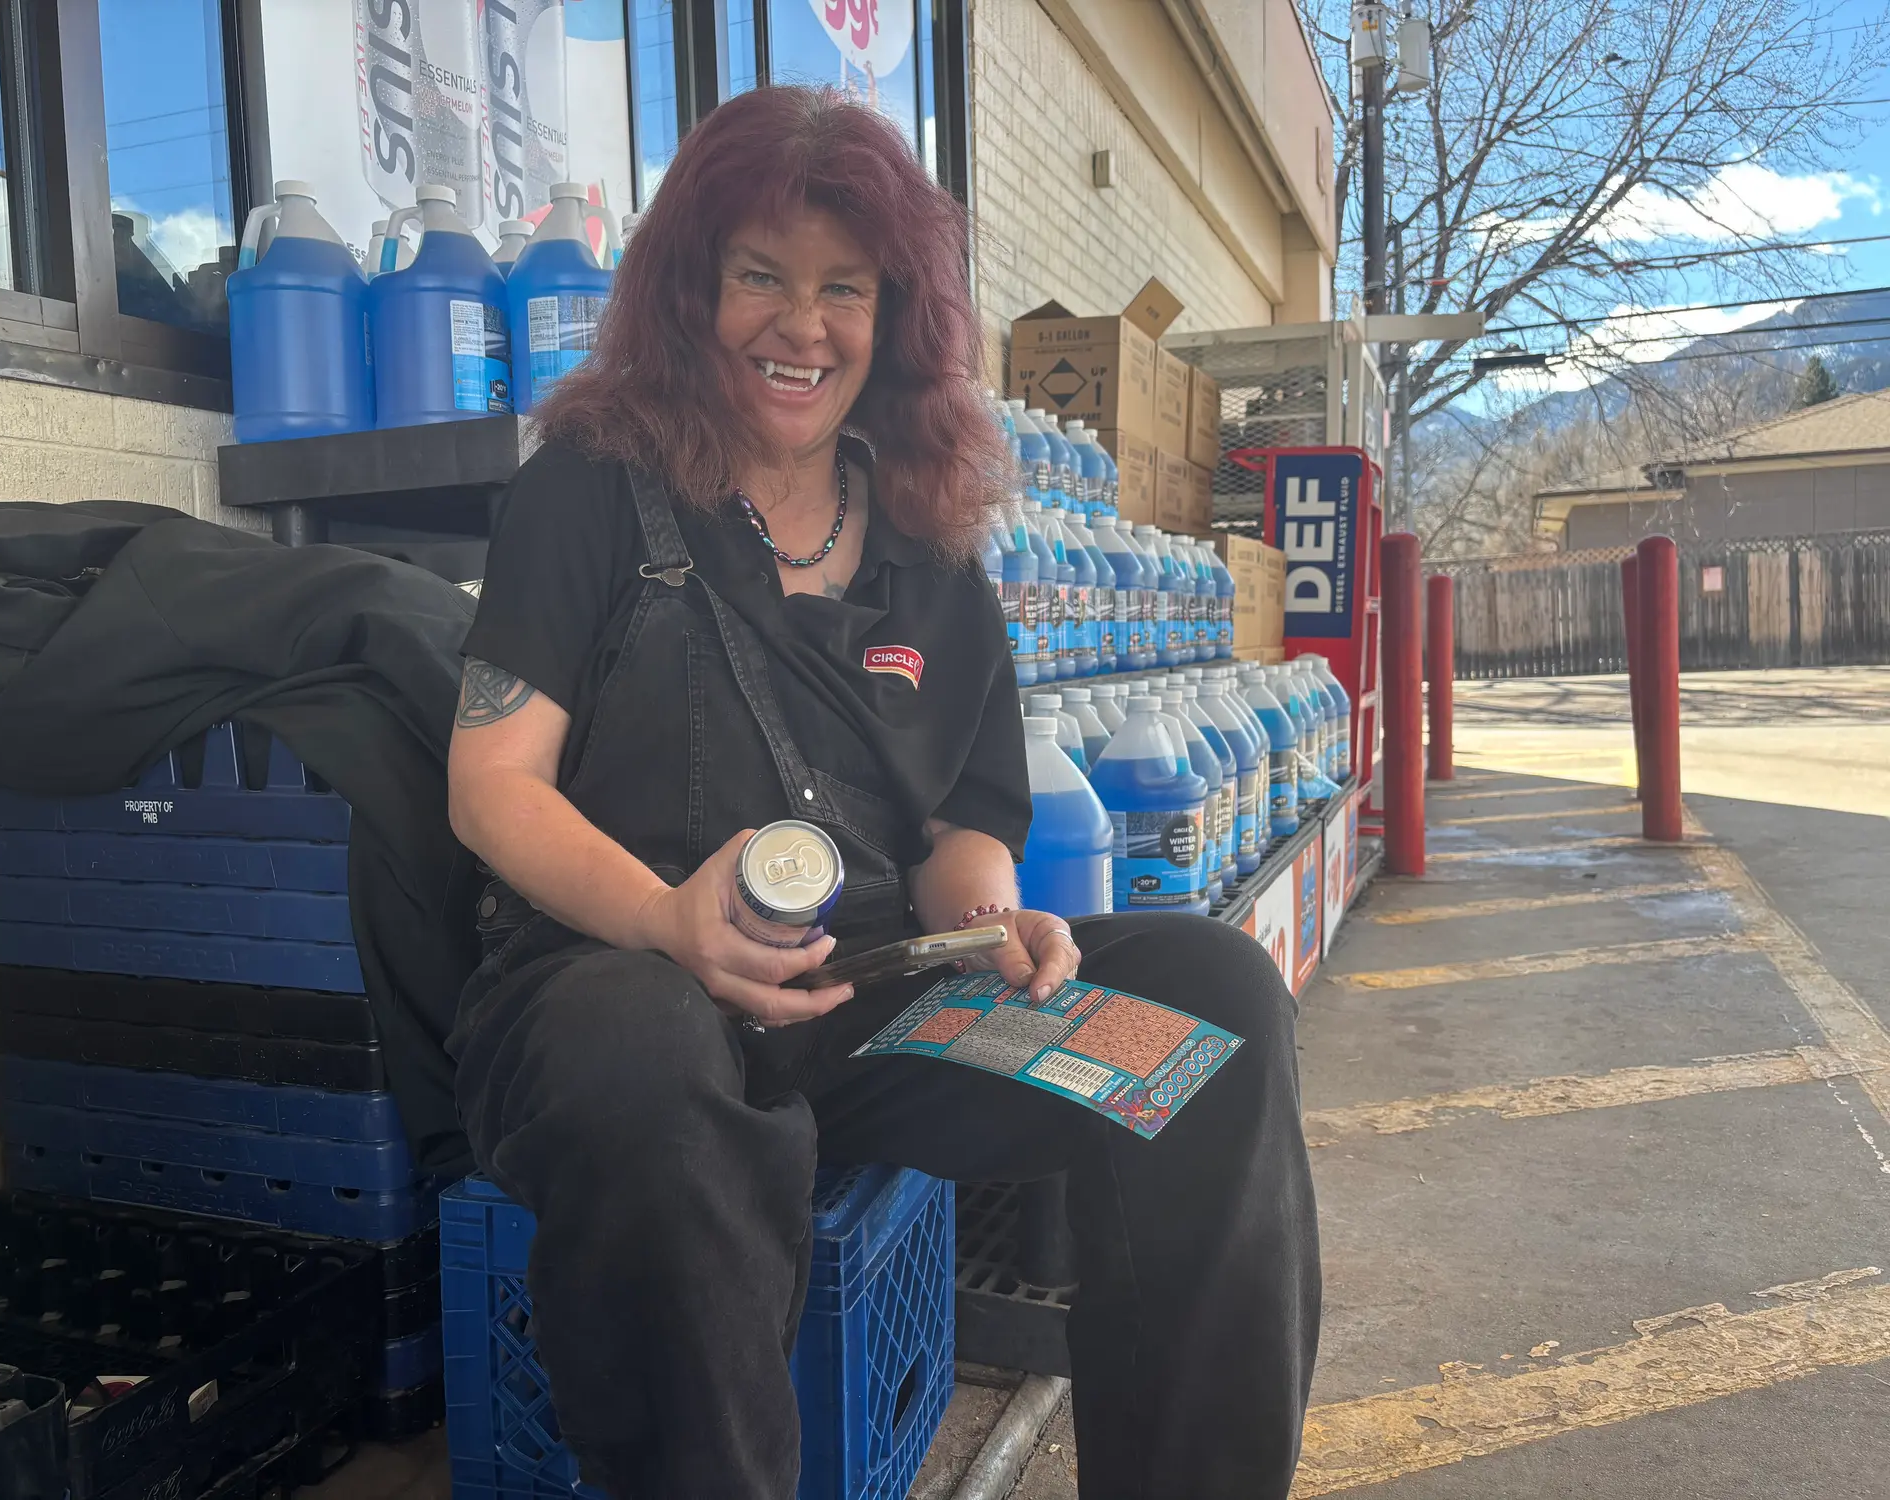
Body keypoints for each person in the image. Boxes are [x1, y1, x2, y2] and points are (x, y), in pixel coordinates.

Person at [446, 86, 1319, 1499]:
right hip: (611, 982)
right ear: (689, 290)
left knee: (1216, 1007)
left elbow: (963, 825)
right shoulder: (587, 495)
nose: (803, 326)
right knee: (652, 1078)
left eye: (843, 288)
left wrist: (988, 923)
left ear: (895, 316)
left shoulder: (929, 543)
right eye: (760, 278)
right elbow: (491, 785)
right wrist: (670, 920)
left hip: (867, 1000)